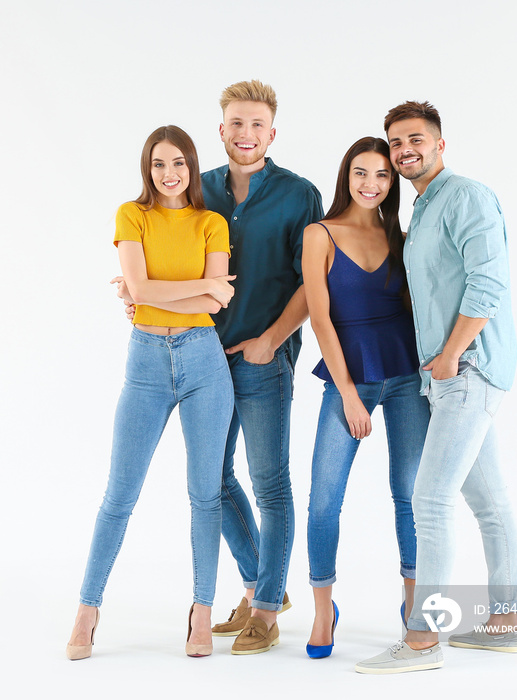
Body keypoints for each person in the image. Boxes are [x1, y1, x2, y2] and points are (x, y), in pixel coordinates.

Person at [125, 81, 323, 653]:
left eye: (257, 125)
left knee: (270, 484)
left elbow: (314, 283)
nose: (246, 134)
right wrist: (136, 292)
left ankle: (263, 606)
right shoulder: (197, 189)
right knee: (210, 480)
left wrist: (271, 340)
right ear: (221, 130)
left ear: (272, 133)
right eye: (236, 124)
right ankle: (268, 583)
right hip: (202, 356)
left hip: (265, 359)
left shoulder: (299, 195)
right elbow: (162, 257)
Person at [355, 101, 517, 674]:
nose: (405, 150)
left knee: (430, 500)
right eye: (397, 142)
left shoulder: (467, 196)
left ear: (440, 143)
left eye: (416, 139)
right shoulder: (422, 210)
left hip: (468, 369)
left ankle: (423, 639)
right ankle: (506, 622)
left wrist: (450, 355)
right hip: (447, 378)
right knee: (489, 502)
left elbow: (489, 282)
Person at [67, 125, 235, 660]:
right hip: (145, 361)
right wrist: (200, 289)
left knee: (205, 494)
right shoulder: (131, 215)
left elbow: (213, 306)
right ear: (148, 168)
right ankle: (87, 610)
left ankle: (202, 610)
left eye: (180, 163)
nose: (170, 173)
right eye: (160, 164)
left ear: (192, 166)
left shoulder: (212, 222)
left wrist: (165, 295)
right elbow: (143, 293)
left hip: (205, 361)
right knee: (120, 495)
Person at [302, 137, 430, 659]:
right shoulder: (320, 234)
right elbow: (319, 317)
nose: (371, 184)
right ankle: (322, 610)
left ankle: (413, 603)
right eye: (361, 173)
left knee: (411, 495)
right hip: (347, 378)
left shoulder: (401, 236)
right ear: (346, 176)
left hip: (406, 376)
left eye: (382, 175)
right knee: (323, 500)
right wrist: (350, 396)